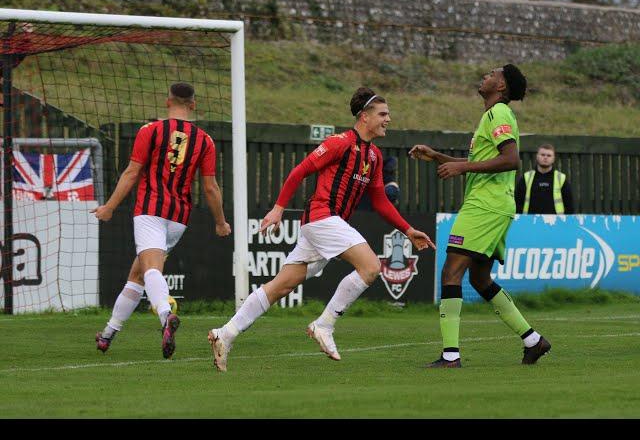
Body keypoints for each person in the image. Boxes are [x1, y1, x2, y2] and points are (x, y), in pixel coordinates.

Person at [208, 87, 435, 372]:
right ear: (364, 116)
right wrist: (278, 208)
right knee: (371, 267)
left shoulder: (375, 156)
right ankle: (324, 325)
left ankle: (225, 334)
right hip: (322, 218)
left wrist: (407, 229)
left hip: (328, 225)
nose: (388, 119)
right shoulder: (340, 142)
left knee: (282, 285)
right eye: (383, 114)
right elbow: (299, 171)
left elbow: (379, 200)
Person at [409, 64, 551, 368]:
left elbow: (510, 160)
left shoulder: (498, 114)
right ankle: (533, 340)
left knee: (451, 273)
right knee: (480, 278)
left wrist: (462, 167)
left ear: (501, 87)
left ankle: (450, 356)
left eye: (492, 74)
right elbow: (483, 161)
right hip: (494, 205)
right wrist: (438, 156)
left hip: (485, 206)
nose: (485, 75)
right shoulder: (492, 116)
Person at [92, 82, 231, 359]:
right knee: (138, 274)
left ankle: (166, 315)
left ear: (168, 101)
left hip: (150, 210)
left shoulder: (150, 131)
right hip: (178, 218)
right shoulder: (205, 140)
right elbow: (211, 187)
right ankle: (107, 334)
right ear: (193, 104)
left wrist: (109, 207)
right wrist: (220, 222)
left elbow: (132, 173)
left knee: (151, 268)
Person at [515, 143, 574, 214]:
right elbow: (518, 203)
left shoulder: (561, 178)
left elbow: (569, 206)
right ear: (537, 156)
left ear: (553, 158)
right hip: (530, 222)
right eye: (542, 155)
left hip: (555, 223)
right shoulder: (526, 177)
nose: (545, 157)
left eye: (549, 155)